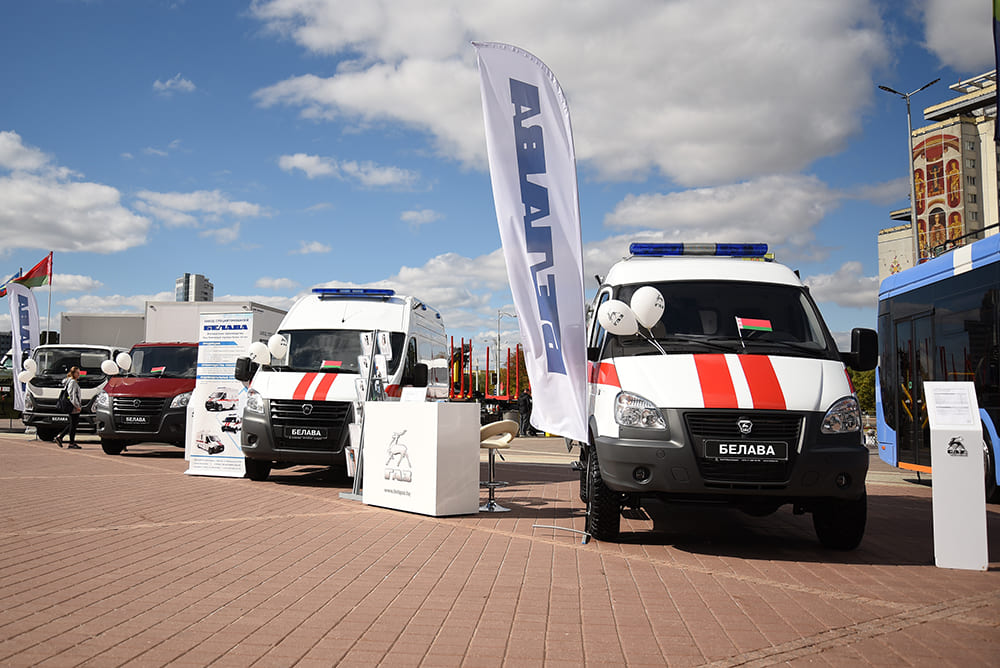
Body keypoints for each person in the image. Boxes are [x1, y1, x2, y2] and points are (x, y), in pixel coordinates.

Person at [55, 366, 82, 449]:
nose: (79, 374)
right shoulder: (72, 382)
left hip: (72, 405)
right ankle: (70, 442)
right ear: (73, 373)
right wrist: (77, 406)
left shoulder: (69, 381)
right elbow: (72, 395)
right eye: (77, 373)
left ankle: (62, 437)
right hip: (73, 406)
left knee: (72, 424)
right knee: (73, 424)